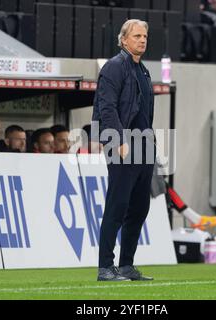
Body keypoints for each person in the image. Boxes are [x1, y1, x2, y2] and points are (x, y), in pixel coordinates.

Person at [92, 19, 159, 281]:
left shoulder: (142, 69)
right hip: (123, 144)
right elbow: (106, 107)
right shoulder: (114, 67)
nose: (142, 40)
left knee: (139, 207)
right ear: (123, 40)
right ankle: (105, 267)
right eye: (137, 36)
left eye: (145, 36)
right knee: (117, 206)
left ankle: (127, 265)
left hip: (144, 146)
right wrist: (118, 141)